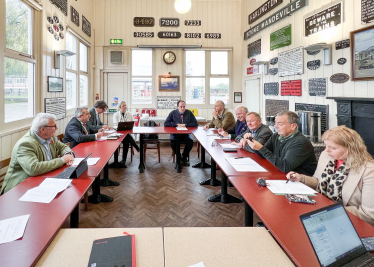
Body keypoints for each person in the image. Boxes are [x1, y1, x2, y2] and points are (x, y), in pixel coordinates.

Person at [287, 126, 374, 226]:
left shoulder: (369, 171)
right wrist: (302, 178)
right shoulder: (326, 156)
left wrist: (329, 213)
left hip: (350, 222)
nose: (327, 151)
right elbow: (319, 182)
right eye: (326, 146)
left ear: (351, 148)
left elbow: (369, 214)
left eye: (332, 148)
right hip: (321, 211)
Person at [1, 113, 74, 194]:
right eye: (54, 126)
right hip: (20, 188)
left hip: (44, 178)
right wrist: (62, 160)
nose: (56, 128)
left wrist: (68, 154)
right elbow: (33, 169)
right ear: (42, 130)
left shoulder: (49, 136)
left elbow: (63, 147)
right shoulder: (25, 144)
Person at [246, 111, 317, 176]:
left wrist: (260, 148)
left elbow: (285, 167)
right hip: (281, 174)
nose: (275, 126)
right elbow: (263, 155)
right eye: (275, 123)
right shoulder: (276, 136)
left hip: (300, 181)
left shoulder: (300, 142)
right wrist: (252, 142)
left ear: (293, 126)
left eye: (280, 124)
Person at [165, 100, 198, 169]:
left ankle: (184, 157)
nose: (182, 108)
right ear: (177, 107)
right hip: (175, 134)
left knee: (190, 142)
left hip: (185, 134)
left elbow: (195, 124)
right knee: (173, 142)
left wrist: (185, 125)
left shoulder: (189, 113)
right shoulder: (173, 113)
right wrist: (176, 125)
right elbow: (166, 123)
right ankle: (178, 157)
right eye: (181, 107)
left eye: (184, 107)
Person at [113, 101, 140, 168]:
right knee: (126, 138)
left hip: (127, 134)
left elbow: (132, 124)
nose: (125, 107)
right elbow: (115, 125)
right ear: (120, 107)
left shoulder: (129, 114)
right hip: (119, 134)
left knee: (126, 139)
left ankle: (123, 161)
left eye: (125, 105)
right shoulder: (116, 115)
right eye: (123, 106)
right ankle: (136, 146)